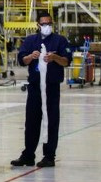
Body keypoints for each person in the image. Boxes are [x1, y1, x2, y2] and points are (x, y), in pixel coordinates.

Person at [11, 10, 71, 168]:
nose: (46, 26)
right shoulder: (31, 40)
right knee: (31, 121)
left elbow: (66, 61)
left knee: (51, 121)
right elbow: (22, 60)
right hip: (35, 88)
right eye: (43, 24)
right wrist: (31, 56)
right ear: (38, 25)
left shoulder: (60, 40)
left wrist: (55, 58)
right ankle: (28, 155)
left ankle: (49, 156)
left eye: (49, 24)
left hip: (51, 87)